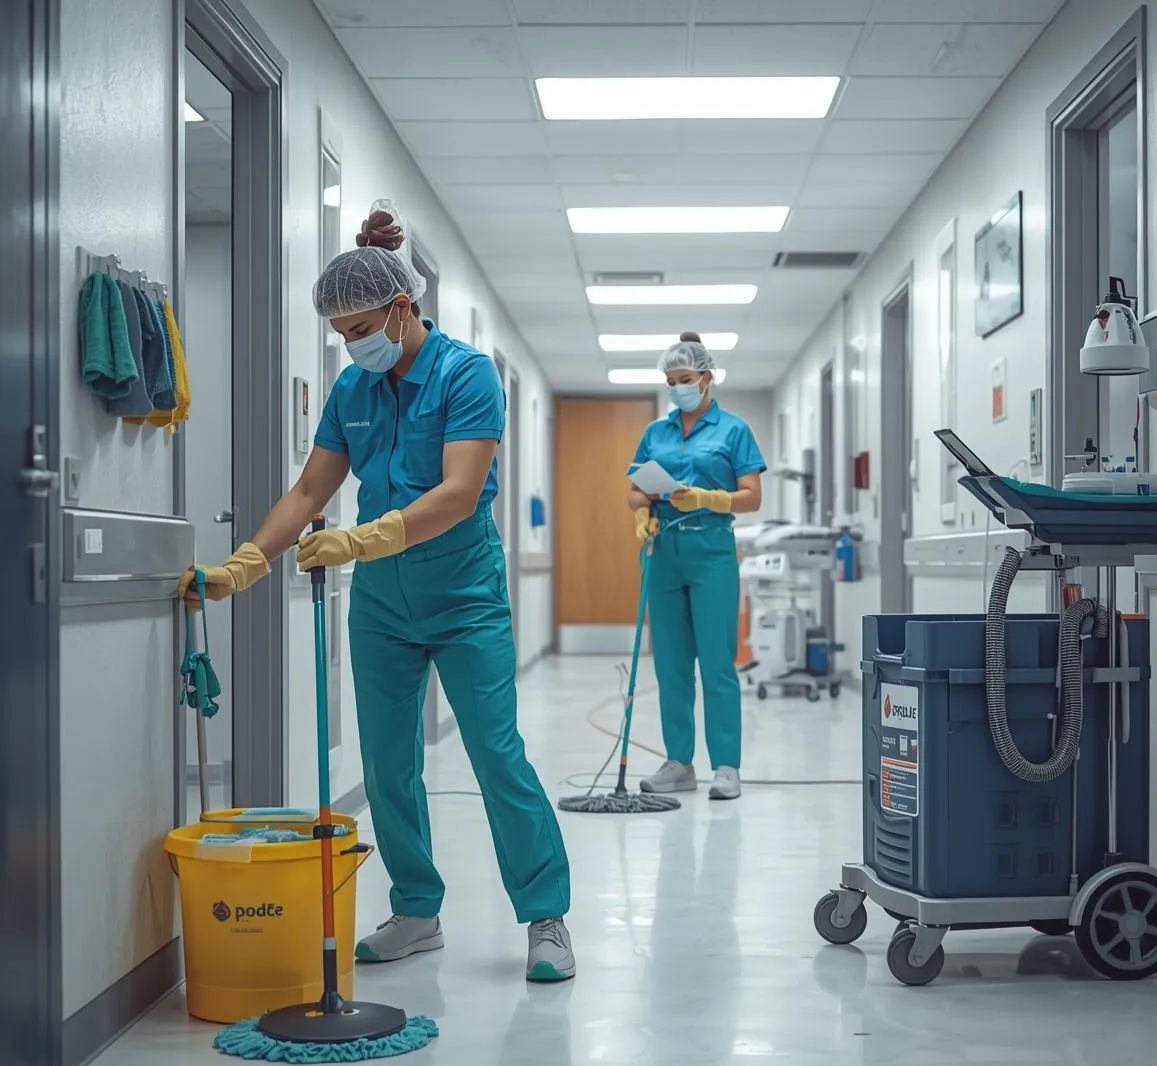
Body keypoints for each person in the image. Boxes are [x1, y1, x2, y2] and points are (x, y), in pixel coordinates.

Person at [178, 207, 574, 982]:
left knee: (496, 754)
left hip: (465, 593)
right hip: (384, 604)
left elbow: (461, 493)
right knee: (388, 764)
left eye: (357, 325)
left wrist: (361, 538)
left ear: (401, 308)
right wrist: (247, 562)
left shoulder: (468, 374)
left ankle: (545, 915)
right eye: (338, 333)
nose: (349, 343)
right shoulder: (351, 390)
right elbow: (309, 489)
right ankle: (417, 911)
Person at [627, 332, 765, 801]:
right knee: (670, 664)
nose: (677, 388)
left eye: (684, 379)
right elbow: (637, 487)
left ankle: (726, 765)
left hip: (712, 550)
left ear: (707, 378)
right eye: (670, 381)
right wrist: (642, 513)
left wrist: (708, 497)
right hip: (663, 551)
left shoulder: (733, 430)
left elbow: (752, 496)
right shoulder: (656, 433)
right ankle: (678, 762)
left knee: (717, 663)